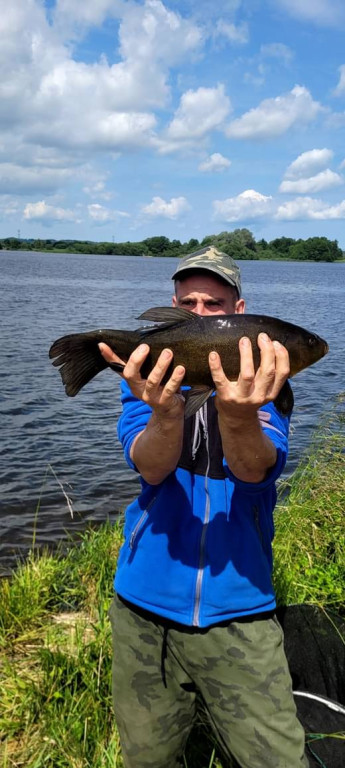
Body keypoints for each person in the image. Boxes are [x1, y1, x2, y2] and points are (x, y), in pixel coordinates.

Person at [99, 245, 308, 768]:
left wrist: (240, 417)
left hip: (242, 604)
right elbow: (148, 467)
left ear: (240, 313)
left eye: (212, 303)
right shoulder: (145, 385)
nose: (199, 311)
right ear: (172, 306)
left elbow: (257, 470)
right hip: (143, 602)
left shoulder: (268, 389)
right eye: (187, 301)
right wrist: (164, 414)